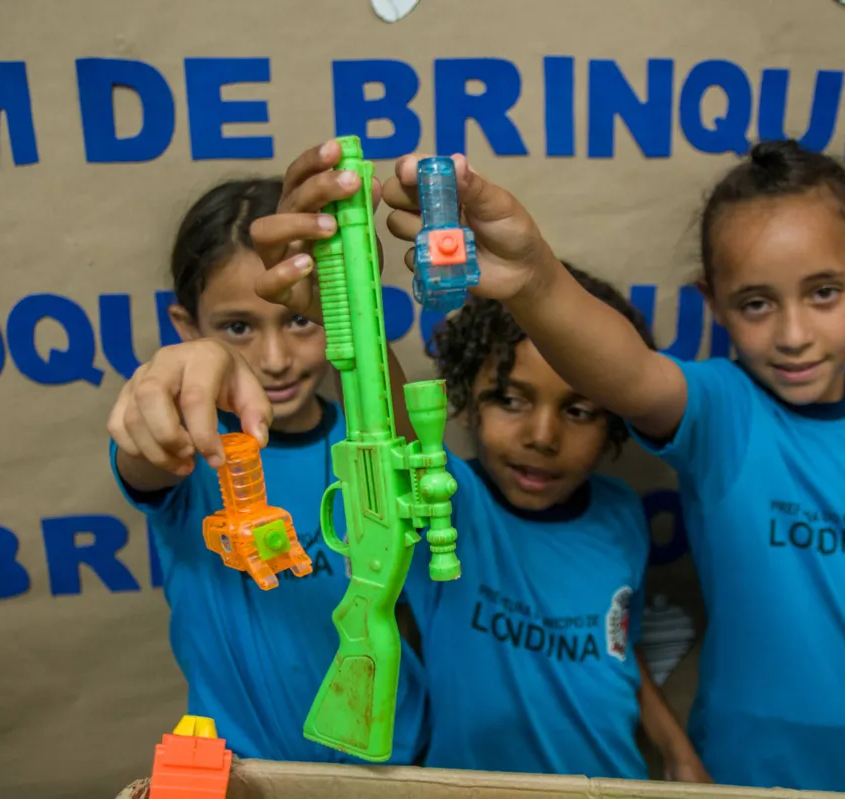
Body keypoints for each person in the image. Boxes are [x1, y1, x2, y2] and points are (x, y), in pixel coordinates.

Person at [377, 139, 845, 794]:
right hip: (759, 760)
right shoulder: (723, 411)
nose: (794, 333)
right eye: (757, 303)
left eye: (823, 292)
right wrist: (535, 278)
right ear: (715, 299)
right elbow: (628, 370)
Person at [252, 222, 708, 778]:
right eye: (511, 399)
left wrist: (679, 753)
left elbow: (619, 648)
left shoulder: (620, 514)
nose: (542, 436)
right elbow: (388, 416)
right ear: (464, 404)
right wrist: (347, 294)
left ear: (616, 415)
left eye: (580, 410)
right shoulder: (449, 501)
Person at [105, 141, 428, 765]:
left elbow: (403, 444)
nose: (275, 359)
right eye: (237, 328)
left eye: (299, 321)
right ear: (185, 325)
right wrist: (184, 371)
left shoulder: (369, 435)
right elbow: (143, 451)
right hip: (242, 767)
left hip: (398, 760)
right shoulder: (188, 451)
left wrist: (352, 304)